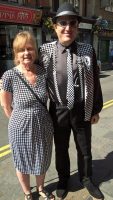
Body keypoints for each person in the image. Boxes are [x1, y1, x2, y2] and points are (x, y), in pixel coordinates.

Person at [39, 2, 104, 200]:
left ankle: (87, 179)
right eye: (63, 23)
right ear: (55, 26)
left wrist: (95, 109)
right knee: (61, 149)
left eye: (72, 23)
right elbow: (30, 74)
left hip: (82, 109)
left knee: (84, 149)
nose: (68, 27)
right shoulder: (44, 51)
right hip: (57, 109)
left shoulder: (87, 50)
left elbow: (95, 80)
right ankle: (63, 180)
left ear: (77, 26)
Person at [0, 31, 55, 200]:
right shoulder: (9, 76)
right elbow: (6, 106)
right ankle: (27, 192)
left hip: (43, 125)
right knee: (22, 161)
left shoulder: (43, 73)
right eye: (21, 49)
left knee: (42, 158)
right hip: (19, 127)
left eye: (30, 48)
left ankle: (40, 188)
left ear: (35, 52)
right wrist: (19, 120)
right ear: (16, 53)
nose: (26, 53)